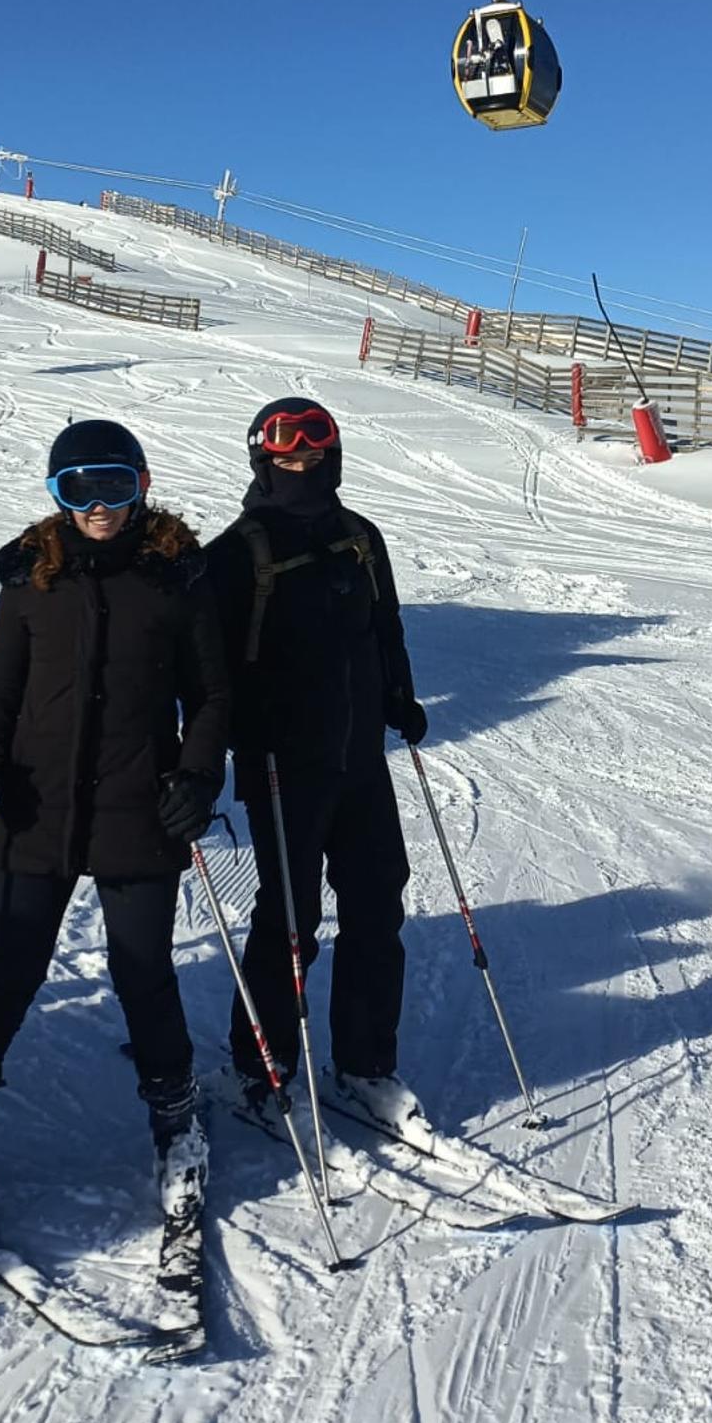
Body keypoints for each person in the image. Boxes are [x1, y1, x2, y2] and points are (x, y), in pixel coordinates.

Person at [0, 418, 230, 1234]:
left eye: (114, 487)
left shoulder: (175, 578)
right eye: (78, 489)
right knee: (13, 971)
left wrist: (198, 775)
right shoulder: (31, 580)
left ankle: (176, 1129)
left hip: (139, 803)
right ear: (56, 496)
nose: (98, 507)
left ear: (141, 484)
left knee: (144, 972)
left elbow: (212, 697)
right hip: (35, 802)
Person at [204, 398, 427, 1111]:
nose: (301, 469)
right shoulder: (236, 554)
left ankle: (365, 1063)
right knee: (290, 919)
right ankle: (262, 1066)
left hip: (359, 759)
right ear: (262, 464)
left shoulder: (361, 537)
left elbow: (384, 626)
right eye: (286, 461)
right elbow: (205, 673)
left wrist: (401, 694)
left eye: (313, 458)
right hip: (282, 767)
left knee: (376, 904)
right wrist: (227, 738)